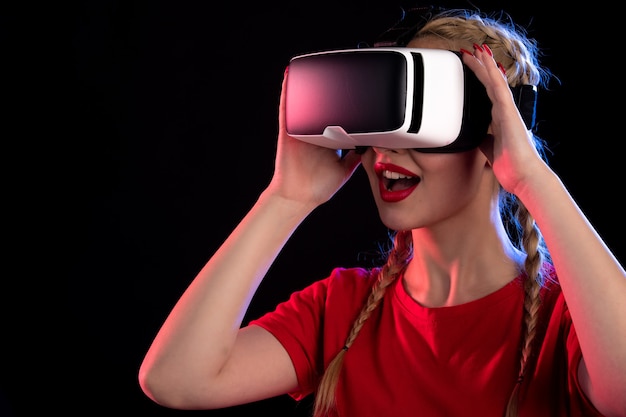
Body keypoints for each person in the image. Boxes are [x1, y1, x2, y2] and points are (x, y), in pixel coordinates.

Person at [138, 6, 626, 417]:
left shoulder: (570, 319)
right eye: (383, 119)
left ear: (493, 135)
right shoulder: (342, 309)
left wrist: (532, 177)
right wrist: (286, 198)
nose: (385, 152)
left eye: (420, 121)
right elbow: (176, 380)